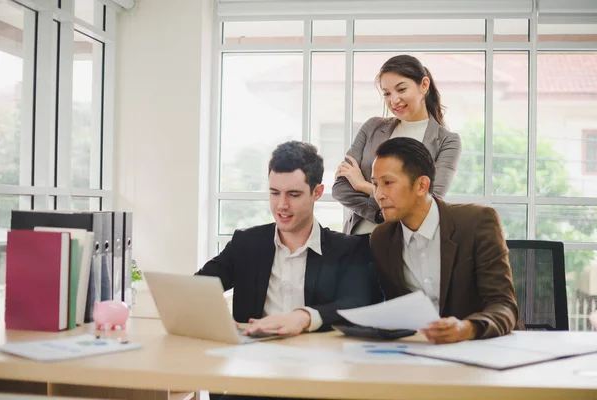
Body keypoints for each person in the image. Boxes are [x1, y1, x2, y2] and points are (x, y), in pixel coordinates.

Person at [196, 141, 380, 338]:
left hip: (318, 360)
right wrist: (216, 320)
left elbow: (356, 304)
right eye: (275, 193)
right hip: (252, 360)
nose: (282, 205)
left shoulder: (348, 249)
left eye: (293, 194)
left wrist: (304, 317)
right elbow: (198, 288)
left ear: (316, 192)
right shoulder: (246, 244)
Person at [370, 137, 518, 343]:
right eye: (375, 184)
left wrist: (466, 329)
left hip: (477, 349)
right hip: (417, 350)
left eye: (388, 183)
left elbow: (504, 305)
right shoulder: (382, 238)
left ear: (421, 185)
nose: (378, 194)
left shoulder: (477, 222)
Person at [333, 54, 462, 235]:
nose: (394, 100)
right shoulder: (372, 128)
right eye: (386, 93)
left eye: (401, 90)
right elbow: (341, 188)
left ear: (424, 85)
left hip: (407, 245)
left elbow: (430, 203)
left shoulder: (447, 141)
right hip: (357, 242)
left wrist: (363, 185)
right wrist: (380, 214)